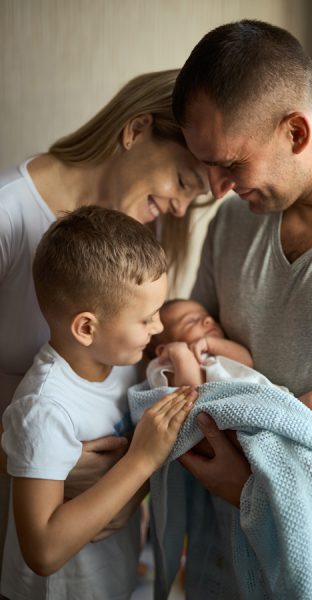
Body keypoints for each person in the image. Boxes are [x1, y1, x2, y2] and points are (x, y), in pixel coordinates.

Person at [170, 19, 312, 598]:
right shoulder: (234, 219)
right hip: (230, 547)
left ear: (296, 131)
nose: (217, 188)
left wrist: (256, 485)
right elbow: (193, 353)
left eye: (230, 164)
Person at [0, 68, 209, 592]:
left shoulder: (136, 241)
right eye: (183, 182)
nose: (182, 209)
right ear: (136, 130)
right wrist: (34, 459)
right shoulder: (8, 216)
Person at [1, 206, 198, 600]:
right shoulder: (45, 409)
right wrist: (141, 461)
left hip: (113, 580)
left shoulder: (123, 364)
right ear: (87, 327)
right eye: (146, 319)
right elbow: (42, 550)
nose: (158, 327)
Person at [149, 298, 312, 444]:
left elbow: (246, 360)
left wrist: (211, 343)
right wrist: (180, 354)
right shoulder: (169, 366)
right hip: (246, 419)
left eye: (206, 316)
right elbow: (192, 391)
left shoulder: (217, 355)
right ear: (163, 349)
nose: (207, 320)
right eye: (191, 321)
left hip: (276, 401)